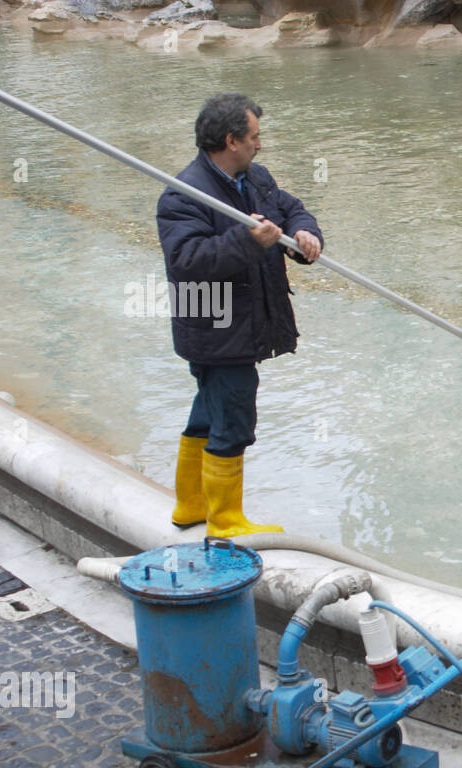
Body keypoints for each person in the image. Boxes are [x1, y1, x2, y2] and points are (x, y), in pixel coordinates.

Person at [156, 92, 323, 538]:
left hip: (244, 318)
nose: (259, 144)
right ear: (231, 140)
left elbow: (291, 208)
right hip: (214, 323)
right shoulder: (183, 196)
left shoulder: (256, 178)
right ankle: (225, 522)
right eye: (254, 137)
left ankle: (190, 505)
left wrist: (304, 232)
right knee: (233, 414)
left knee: (208, 409)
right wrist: (250, 242)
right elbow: (188, 261)